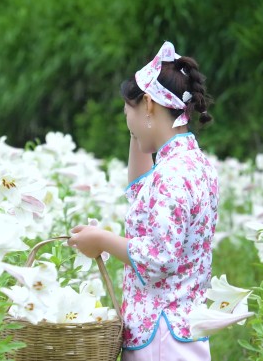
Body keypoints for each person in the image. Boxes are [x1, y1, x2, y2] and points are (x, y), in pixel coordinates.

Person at [68, 41, 218, 361]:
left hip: (160, 340)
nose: (128, 124)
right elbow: (140, 192)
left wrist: (101, 240)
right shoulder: (191, 164)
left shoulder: (172, 175)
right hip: (180, 334)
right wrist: (140, 130)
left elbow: (157, 260)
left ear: (148, 105)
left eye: (128, 113)